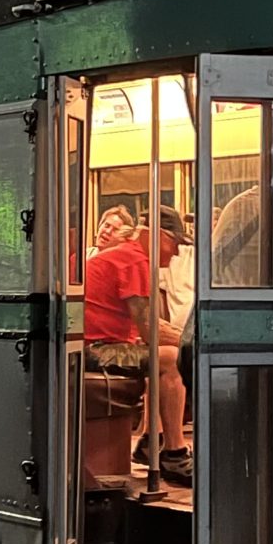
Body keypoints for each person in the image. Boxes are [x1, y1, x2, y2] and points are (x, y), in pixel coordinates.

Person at [83, 203, 188, 481]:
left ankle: (151, 440)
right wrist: (194, 341)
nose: (176, 252)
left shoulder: (126, 256)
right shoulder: (133, 260)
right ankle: (174, 455)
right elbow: (151, 330)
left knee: (161, 356)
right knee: (171, 358)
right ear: (161, 237)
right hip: (96, 349)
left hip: (97, 344)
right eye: (175, 244)